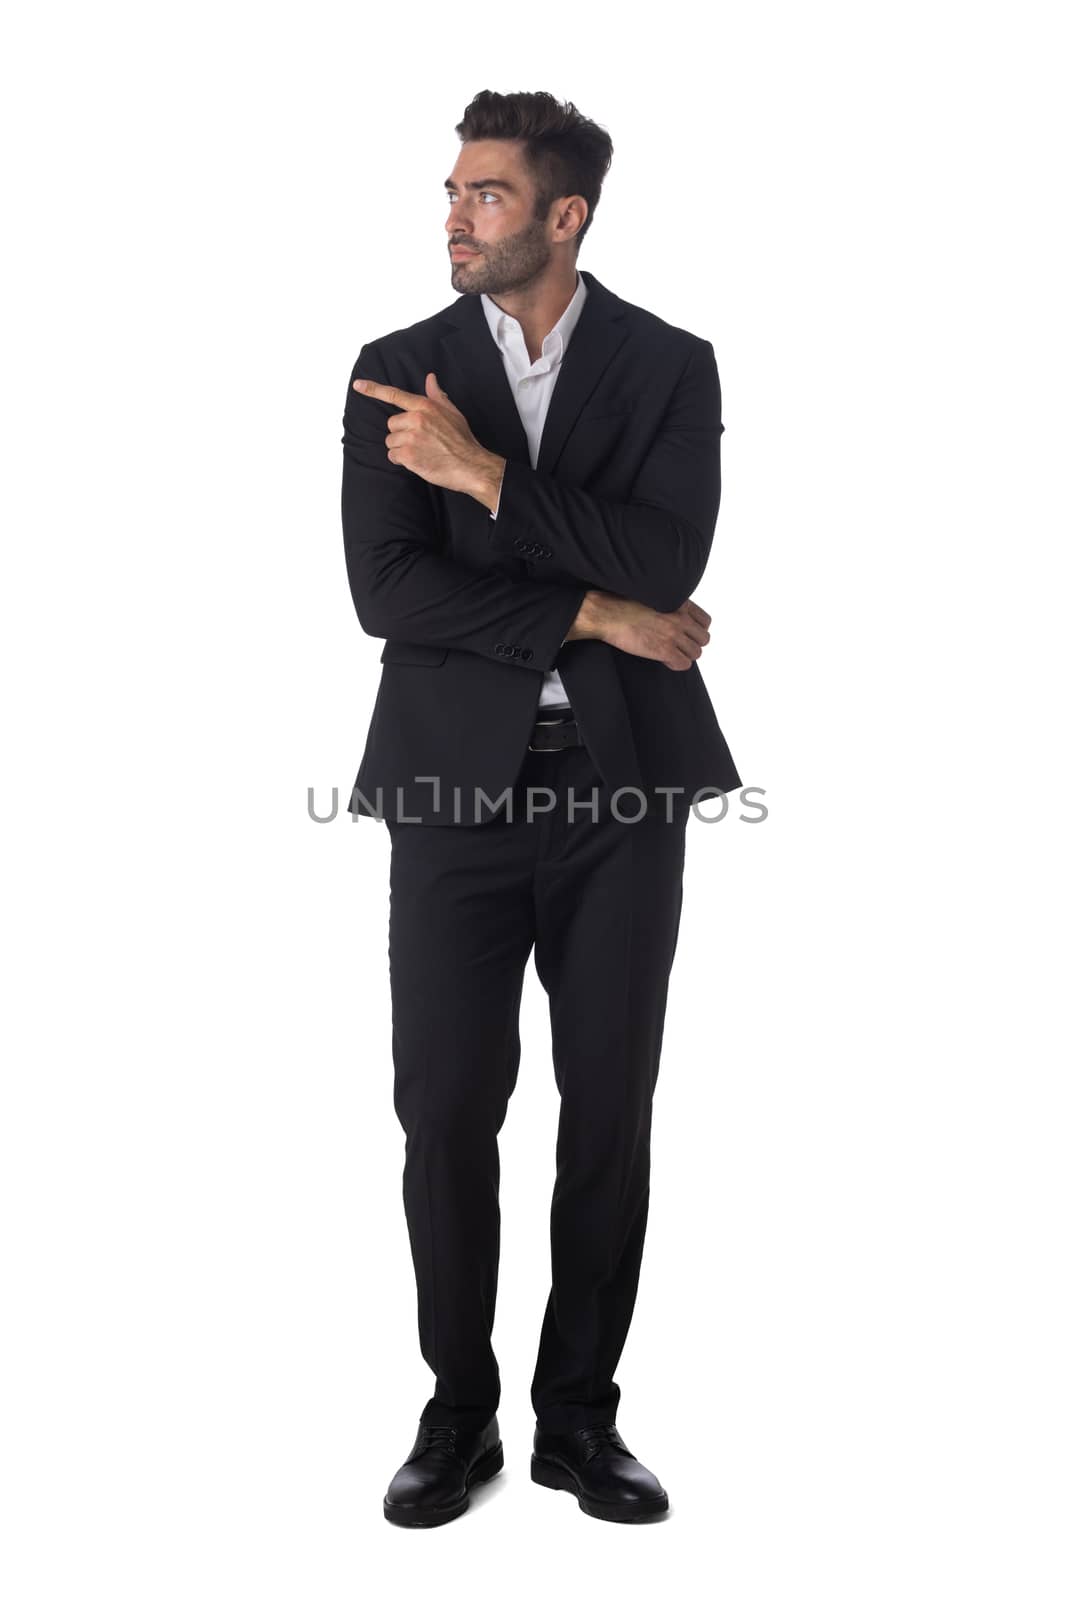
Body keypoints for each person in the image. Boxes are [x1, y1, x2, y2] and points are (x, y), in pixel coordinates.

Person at [340, 89, 741, 1527]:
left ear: (565, 216)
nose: (456, 213)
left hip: (625, 788)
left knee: (610, 1113)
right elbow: (391, 595)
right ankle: (460, 1413)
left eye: (488, 194)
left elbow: (669, 548)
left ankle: (579, 1418)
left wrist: (485, 479)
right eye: (452, 190)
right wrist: (594, 608)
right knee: (447, 1107)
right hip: (453, 789)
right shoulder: (396, 371)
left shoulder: (668, 366)